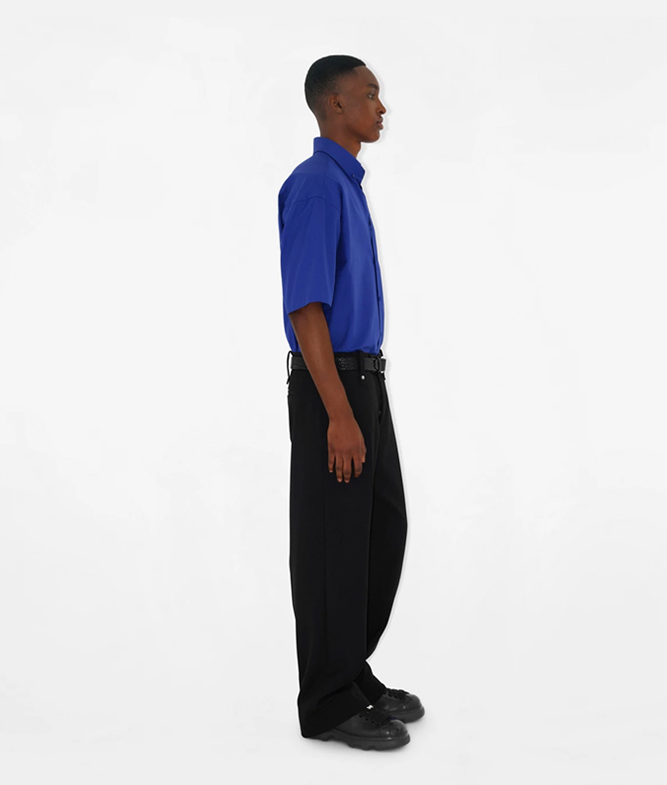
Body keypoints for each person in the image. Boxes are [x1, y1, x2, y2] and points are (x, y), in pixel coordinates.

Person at [278, 54, 424, 751]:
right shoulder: (315, 186)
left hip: (365, 382)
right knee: (332, 540)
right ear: (335, 104)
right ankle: (327, 701)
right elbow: (306, 307)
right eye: (370, 94)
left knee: (378, 530)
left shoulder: (346, 186)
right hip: (331, 386)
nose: (381, 106)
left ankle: (347, 669)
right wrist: (337, 412)